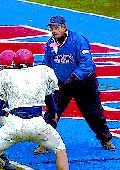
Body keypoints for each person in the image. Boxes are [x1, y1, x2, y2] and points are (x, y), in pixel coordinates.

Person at [0, 49, 69, 170]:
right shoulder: (43, 72)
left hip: (14, 124)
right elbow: (50, 99)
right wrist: (54, 113)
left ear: (14, 63)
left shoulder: (7, 75)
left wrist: (4, 112)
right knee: (60, 149)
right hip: (37, 123)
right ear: (32, 62)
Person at [33, 15, 116, 155]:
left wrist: (74, 77)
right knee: (52, 113)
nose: (54, 31)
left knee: (94, 113)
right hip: (62, 84)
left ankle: (105, 139)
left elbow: (87, 64)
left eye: (57, 27)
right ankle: (44, 143)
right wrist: (44, 78)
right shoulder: (50, 44)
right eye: (52, 28)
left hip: (84, 83)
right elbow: (46, 64)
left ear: (64, 27)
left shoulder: (78, 41)